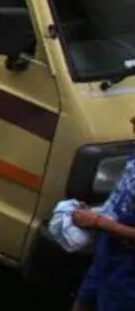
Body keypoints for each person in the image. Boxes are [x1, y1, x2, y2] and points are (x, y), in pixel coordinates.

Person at [72, 114, 135, 311]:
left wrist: (98, 222)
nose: (132, 121)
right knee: (83, 302)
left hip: (127, 271)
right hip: (107, 255)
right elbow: (118, 203)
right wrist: (91, 212)